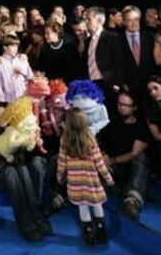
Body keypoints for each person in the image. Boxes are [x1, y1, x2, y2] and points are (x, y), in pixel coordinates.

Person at [0, 103, 50, 242]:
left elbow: (22, 157)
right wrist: (10, 157)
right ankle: (26, 225)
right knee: (11, 171)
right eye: (0, 116)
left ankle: (37, 217)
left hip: (15, 170)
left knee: (23, 169)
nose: (4, 118)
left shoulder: (16, 128)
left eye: (6, 114)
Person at [57, 108, 114, 246]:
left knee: (82, 206)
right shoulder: (90, 140)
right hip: (91, 182)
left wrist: (59, 177)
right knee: (97, 205)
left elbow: (61, 162)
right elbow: (100, 163)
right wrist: (108, 179)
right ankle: (101, 231)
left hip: (75, 183)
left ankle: (88, 233)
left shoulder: (65, 141)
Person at [98, 90, 150, 220]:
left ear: (134, 107)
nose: (121, 108)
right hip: (113, 171)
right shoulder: (113, 122)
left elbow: (134, 153)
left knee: (141, 157)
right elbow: (98, 140)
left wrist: (112, 160)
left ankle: (132, 201)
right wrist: (102, 155)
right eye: (119, 104)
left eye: (126, 105)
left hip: (132, 170)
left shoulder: (141, 126)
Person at [0, 35, 34, 104]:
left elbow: (30, 76)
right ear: (5, 47)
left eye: (16, 46)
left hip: (24, 95)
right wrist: (1, 98)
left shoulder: (21, 59)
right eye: (12, 46)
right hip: (9, 98)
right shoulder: (0, 62)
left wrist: (22, 72)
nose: (15, 49)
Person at [145, 75, 161, 177]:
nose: (153, 93)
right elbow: (157, 136)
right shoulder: (150, 110)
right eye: (150, 90)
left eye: (156, 88)